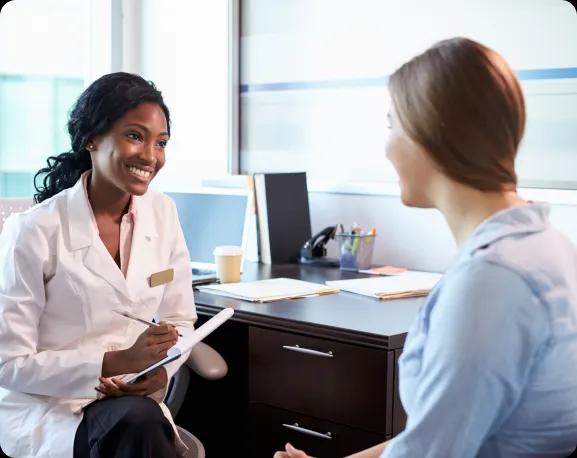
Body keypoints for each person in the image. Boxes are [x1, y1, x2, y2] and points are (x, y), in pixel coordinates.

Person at [275, 38, 577, 458]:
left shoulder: (492, 282)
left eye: (391, 125)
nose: (386, 146)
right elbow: (429, 438)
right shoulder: (545, 246)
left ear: (433, 132)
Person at [0, 72, 197, 457]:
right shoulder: (34, 230)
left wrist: (159, 373)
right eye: (135, 136)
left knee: (137, 421)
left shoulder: (163, 213)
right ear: (91, 138)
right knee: (137, 426)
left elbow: (181, 322)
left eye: (161, 143)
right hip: (52, 408)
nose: (150, 156)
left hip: (134, 403)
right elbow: (9, 364)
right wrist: (114, 362)